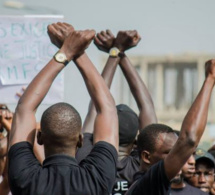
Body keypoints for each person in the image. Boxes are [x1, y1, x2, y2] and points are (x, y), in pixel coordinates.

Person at [8, 23, 119, 195]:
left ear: (39, 137)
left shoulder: (24, 178)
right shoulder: (98, 177)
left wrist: (66, 51)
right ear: (80, 140)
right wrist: (76, 53)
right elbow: (108, 109)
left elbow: (24, 108)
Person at [76, 29, 157, 195]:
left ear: (98, 132)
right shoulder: (145, 162)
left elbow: (96, 105)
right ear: (135, 142)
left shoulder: (86, 156)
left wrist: (115, 52)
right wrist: (120, 52)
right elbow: (146, 106)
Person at [126, 59, 215, 195]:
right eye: (170, 153)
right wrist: (210, 79)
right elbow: (189, 140)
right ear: (146, 157)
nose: (181, 157)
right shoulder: (148, 184)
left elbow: (147, 110)